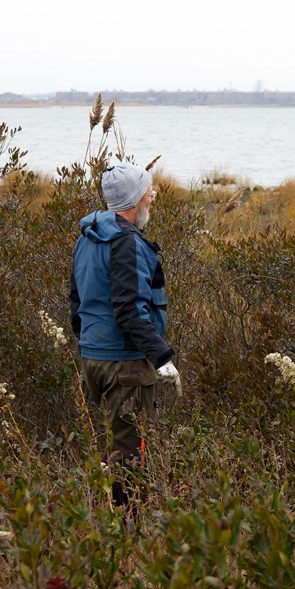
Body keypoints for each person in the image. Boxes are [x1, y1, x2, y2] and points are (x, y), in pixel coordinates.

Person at [69, 163, 180, 508]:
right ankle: (128, 532)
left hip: (93, 359)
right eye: (150, 193)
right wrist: (163, 359)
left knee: (106, 451)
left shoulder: (87, 237)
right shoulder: (126, 243)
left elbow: (76, 300)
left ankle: (104, 517)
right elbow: (130, 311)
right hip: (126, 368)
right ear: (135, 200)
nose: (152, 198)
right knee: (131, 459)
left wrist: (89, 344)